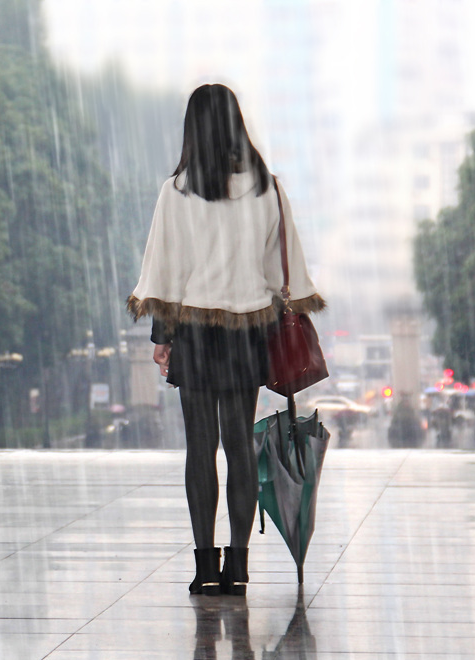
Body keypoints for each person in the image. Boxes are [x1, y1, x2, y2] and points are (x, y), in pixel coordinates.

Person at [126, 84, 324, 596]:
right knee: (239, 448)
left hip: (194, 333)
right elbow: (283, 265)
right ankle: (238, 563)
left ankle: (204, 567)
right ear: (237, 124)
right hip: (246, 331)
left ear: (193, 128)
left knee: (199, 449)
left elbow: (166, 266)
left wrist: (162, 336)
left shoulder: (178, 191)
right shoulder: (267, 188)